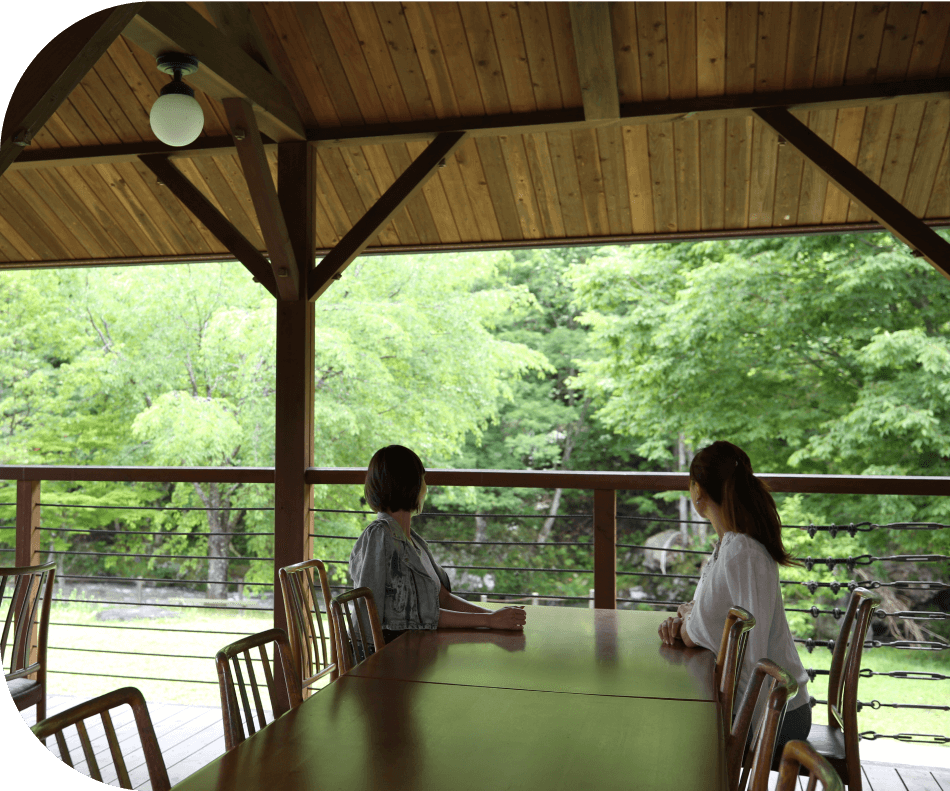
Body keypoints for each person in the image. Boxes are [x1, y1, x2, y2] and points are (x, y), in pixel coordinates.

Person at [658, 440, 810, 754]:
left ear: (697, 491)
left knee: (672, 739)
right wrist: (687, 620)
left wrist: (689, 625)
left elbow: (751, 647)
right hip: (760, 705)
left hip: (775, 713)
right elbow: (706, 615)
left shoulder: (744, 553)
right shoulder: (728, 546)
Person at [349, 445, 527, 644]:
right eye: (423, 478)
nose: (426, 487)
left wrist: (495, 615)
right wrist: (489, 620)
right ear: (410, 483)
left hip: (417, 647)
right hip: (390, 654)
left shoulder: (413, 541)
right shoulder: (379, 536)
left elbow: (443, 599)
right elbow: (419, 616)